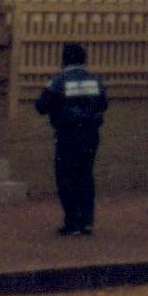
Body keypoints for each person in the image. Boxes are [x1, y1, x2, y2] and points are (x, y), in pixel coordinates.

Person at [36, 41, 109, 236]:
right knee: (85, 175)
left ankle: (72, 222)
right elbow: (104, 103)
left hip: (68, 135)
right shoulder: (94, 79)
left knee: (66, 177)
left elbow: (41, 105)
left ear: (64, 59)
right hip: (91, 134)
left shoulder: (59, 80)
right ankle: (87, 221)